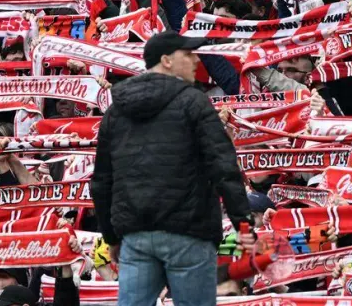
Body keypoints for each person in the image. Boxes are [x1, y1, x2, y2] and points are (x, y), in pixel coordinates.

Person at [91, 32, 254, 306]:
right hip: (189, 232)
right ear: (166, 60)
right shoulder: (194, 102)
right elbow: (224, 166)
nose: (196, 60)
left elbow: (101, 182)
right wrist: (243, 224)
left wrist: (111, 237)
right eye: (188, 54)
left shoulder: (116, 111)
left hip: (136, 236)